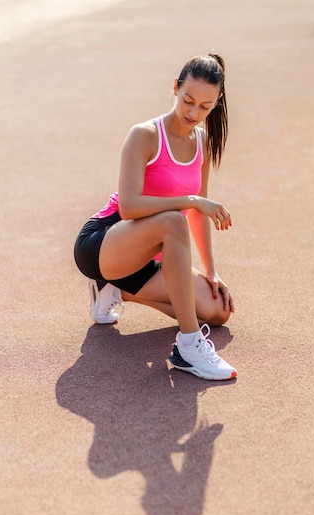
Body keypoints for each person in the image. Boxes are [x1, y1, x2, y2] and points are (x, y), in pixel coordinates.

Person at [74, 52, 237, 381]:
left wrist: (211, 272)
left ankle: (117, 291)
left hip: (150, 259)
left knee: (218, 311)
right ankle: (189, 346)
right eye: (188, 100)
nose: (194, 112)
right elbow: (131, 206)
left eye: (205, 107)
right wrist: (191, 200)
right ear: (175, 88)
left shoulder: (203, 144)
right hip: (105, 242)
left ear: (216, 103)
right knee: (174, 219)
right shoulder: (145, 135)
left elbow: (197, 216)